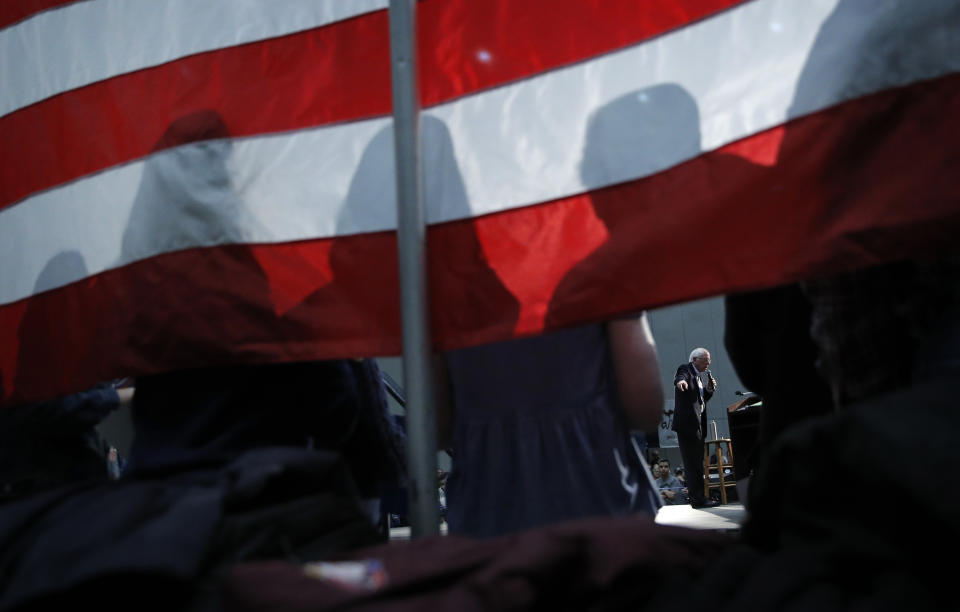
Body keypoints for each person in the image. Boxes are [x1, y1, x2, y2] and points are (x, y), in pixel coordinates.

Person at [437, 314, 664, 538]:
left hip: (485, 507)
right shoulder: (604, 281)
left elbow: (437, 426)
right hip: (599, 495)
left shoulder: (443, 290)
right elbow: (645, 409)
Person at [671, 347, 719, 508]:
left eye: (709, 360)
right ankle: (698, 499)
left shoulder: (698, 378)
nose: (708, 363)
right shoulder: (686, 369)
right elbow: (680, 377)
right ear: (695, 360)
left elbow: (700, 401)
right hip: (687, 426)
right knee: (692, 464)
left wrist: (708, 390)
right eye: (705, 360)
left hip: (697, 425)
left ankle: (699, 497)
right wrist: (680, 382)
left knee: (697, 464)